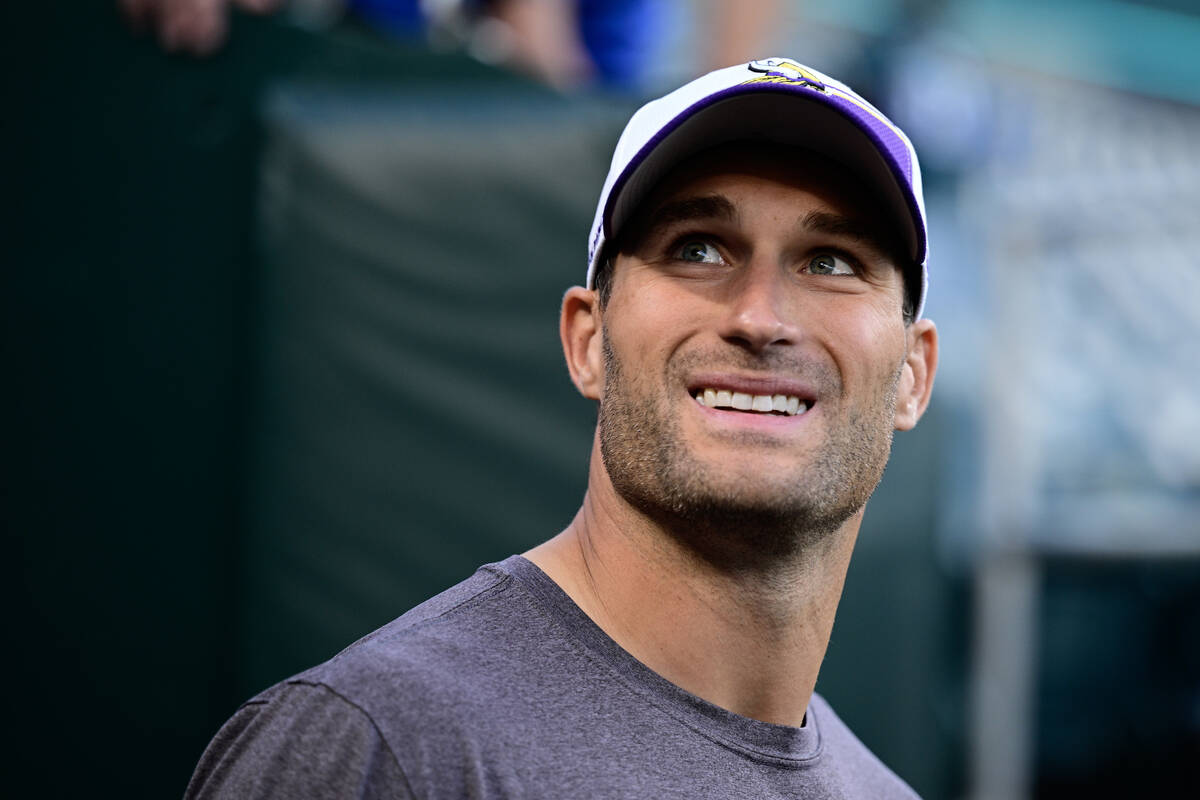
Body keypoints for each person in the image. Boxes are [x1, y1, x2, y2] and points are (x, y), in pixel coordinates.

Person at [186, 57, 938, 799]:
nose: (759, 317)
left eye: (832, 262)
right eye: (697, 249)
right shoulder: (383, 745)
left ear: (911, 374)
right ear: (588, 342)